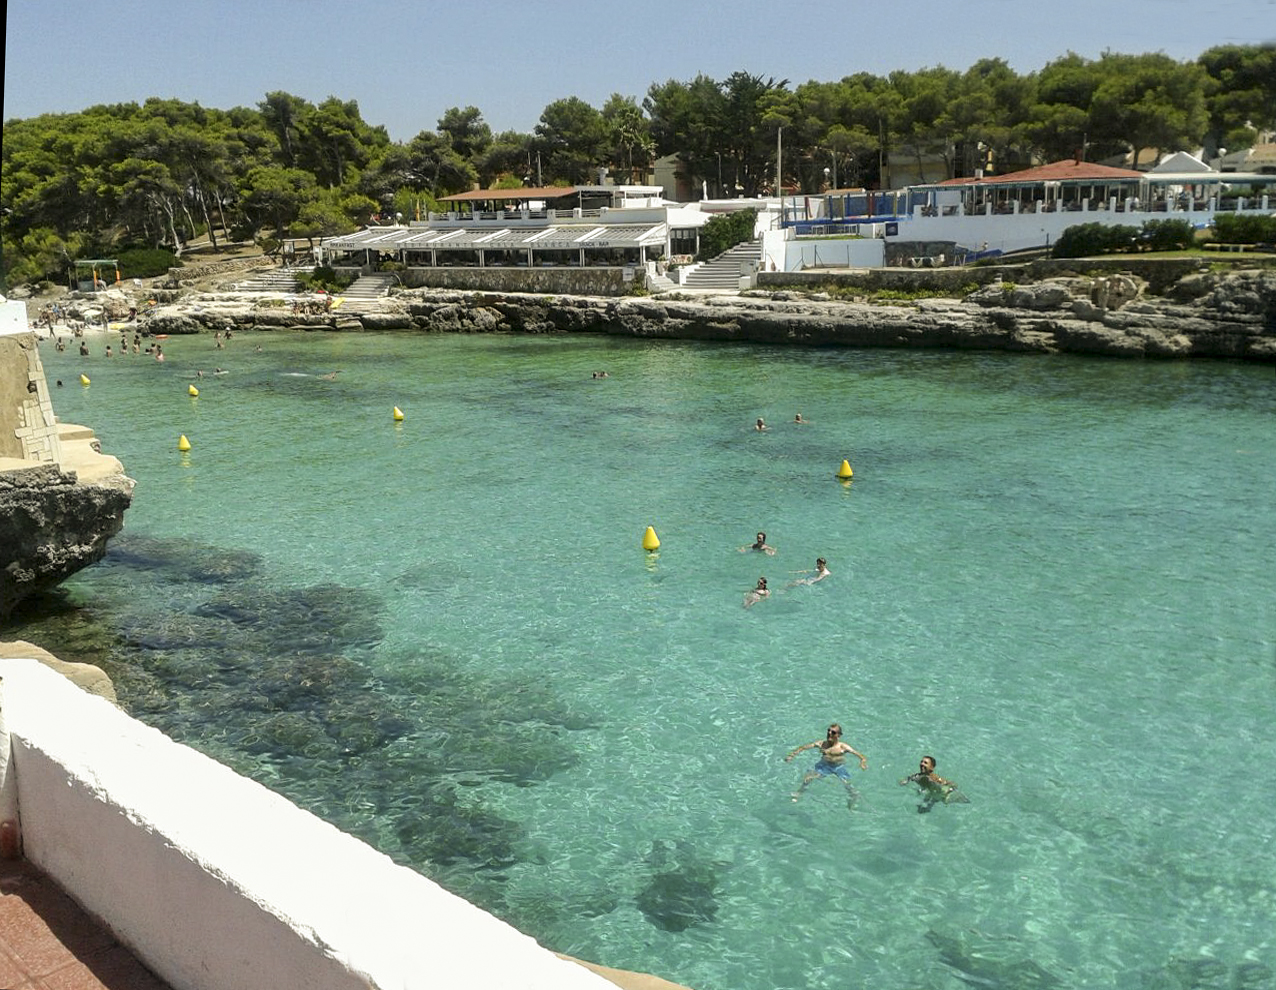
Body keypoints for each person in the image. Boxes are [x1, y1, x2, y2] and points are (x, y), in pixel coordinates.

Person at [786, 723, 867, 803]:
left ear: (838, 735)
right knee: (808, 778)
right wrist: (791, 755)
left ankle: (853, 797)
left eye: (833, 732)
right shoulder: (822, 744)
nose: (829, 733)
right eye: (829, 731)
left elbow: (861, 756)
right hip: (824, 766)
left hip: (838, 767)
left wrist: (862, 762)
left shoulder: (843, 747)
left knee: (847, 784)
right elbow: (803, 748)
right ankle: (799, 793)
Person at [899, 755, 965, 812]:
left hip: (936, 791)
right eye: (921, 761)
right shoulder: (918, 775)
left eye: (925, 763)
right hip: (928, 790)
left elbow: (951, 784)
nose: (922, 764)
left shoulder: (934, 778)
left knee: (934, 798)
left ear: (931, 768)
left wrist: (950, 786)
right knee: (926, 798)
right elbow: (910, 778)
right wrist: (906, 781)